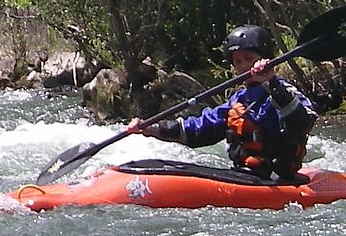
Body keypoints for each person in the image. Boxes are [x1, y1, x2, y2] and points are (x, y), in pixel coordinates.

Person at [132, 25, 319, 180]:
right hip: (246, 174)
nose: (243, 66)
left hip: (278, 177)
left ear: (265, 60)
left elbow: (303, 122)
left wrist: (271, 83)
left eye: (249, 59)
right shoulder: (238, 100)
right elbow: (200, 129)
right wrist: (151, 128)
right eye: (238, 61)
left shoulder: (283, 90)